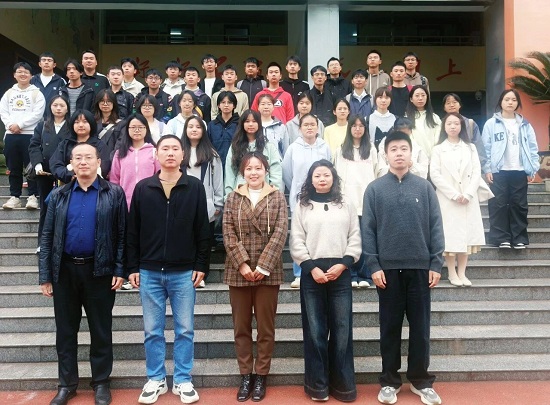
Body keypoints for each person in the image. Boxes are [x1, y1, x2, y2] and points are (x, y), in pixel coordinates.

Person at [39, 142, 126, 405]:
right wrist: (45, 275)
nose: (83, 162)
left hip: (100, 272)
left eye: (89, 157)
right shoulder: (58, 195)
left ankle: (101, 383)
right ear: (71, 164)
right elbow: (47, 235)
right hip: (64, 272)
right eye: (78, 158)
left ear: (99, 162)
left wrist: (119, 269)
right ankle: (67, 385)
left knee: (101, 330)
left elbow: (122, 234)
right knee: (65, 332)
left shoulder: (114, 193)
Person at [127, 135, 211, 405]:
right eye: (165, 148)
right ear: (156, 154)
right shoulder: (143, 188)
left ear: (183, 155)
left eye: (176, 148)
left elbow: (203, 229)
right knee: (153, 330)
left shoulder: (194, 187)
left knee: (184, 329)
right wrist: (132, 267)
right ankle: (156, 379)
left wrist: (201, 265)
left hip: (184, 272)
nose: (171, 153)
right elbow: (132, 231)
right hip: (149, 271)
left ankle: (183, 379)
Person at [362, 131, 444, 405]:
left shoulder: (424, 187)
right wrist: (373, 264)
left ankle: (421, 381)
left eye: (403, 149)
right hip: (387, 271)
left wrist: (436, 262)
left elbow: (436, 226)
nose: (399, 153)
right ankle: (389, 381)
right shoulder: (374, 189)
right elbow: (368, 230)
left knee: (420, 329)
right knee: (390, 328)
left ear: (411, 154)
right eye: (393, 149)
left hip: (420, 269)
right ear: (386, 155)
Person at [290, 159, 361, 402]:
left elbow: (355, 237)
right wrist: (310, 268)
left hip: (340, 272)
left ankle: (343, 386)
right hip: (312, 273)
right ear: (311, 180)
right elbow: (296, 240)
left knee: (342, 331)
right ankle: (317, 386)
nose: (322, 179)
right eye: (317, 175)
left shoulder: (346, 204)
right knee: (315, 331)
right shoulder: (303, 205)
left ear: (333, 178)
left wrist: (344, 263)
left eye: (326, 175)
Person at [223, 151, 288, 402]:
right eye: (249, 168)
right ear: (242, 172)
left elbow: (280, 232)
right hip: (238, 271)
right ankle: (245, 375)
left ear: (266, 171)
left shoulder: (277, 196)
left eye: (258, 168)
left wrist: (263, 266)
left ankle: (261, 375)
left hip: (267, 273)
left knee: (265, 328)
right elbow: (228, 232)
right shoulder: (233, 197)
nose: (253, 172)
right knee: (241, 328)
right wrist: (242, 263)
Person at [430, 112, 486, 287]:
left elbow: (477, 172)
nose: (453, 126)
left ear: (461, 126)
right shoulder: (438, 149)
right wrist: (454, 194)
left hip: (468, 198)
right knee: (450, 236)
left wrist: (468, 193)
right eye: (449, 124)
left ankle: (462, 272)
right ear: (444, 127)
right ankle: (452, 272)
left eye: (456, 123)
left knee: (466, 237)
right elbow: (435, 175)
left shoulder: (470, 148)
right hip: (448, 199)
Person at [482, 88, 540, 249]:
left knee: (519, 205)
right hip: (498, 171)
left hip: (519, 170)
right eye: (507, 99)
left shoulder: (525, 124)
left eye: (514, 100)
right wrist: (487, 169)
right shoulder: (491, 124)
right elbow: (485, 148)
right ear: (501, 102)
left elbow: (533, 148)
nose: (510, 102)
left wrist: (532, 169)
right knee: (498, 204)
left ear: (517, 103)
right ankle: (501, 238)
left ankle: (519, 238)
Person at [333, 114, 383, 288]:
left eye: (361, 126)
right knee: (350, 239)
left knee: (366, 239)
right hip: (347, 202)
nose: (357, 129)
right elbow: (336, 177)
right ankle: (352, 274)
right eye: (354, 126)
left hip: (366, 202)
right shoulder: (341, 150)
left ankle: (365, 275)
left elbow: (378, 173)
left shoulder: (371, 149)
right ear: (349, 128)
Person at [283, 114, 331, 289]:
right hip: (300, 198)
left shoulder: (324, 147)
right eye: (306, 125)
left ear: (318, 127)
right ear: (300, 129)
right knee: (299, 235)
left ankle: (320, 268)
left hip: (322, 197)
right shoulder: (293, 148)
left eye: (313, 124)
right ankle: (299, 273)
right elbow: (287, 173)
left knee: (319, 233)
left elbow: (330, 170)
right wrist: (298, 188)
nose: (309, 127)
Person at [182, 115, 224, 286]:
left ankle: (201, 275)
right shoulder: (179, 151)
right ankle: (186, 273)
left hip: (206, 204)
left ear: (203, 130)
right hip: (183, 203)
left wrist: (218, 203)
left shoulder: (211, 154)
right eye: (190, 126)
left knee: (204, 240)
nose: (194, 129)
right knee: (186, 239)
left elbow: (218, 180)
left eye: (198, 127)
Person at [29, 95, 71, 252]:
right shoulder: (42, 125)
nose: (58, 108)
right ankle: (43, 243)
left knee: (65, 208)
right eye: (55, 105)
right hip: (44, 173)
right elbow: (34, 146)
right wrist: (37, 164)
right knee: (45, 208)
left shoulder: (72, 125)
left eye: (62, 105)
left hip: (65, 173)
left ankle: (63, 243)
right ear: (50, 107)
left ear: (67, 108)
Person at [1, 62, 45, 210]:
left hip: (30, 135)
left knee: (31, 166)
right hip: (11, 135)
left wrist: (20, 125)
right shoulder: (9, 93)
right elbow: (3, 112)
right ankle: (15, 197)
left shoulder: (37, 93)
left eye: (26, 72)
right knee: (13, 167)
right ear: (14, 75)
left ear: (31, 76)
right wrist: (10, 125)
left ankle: (33, 196)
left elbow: (38, 114)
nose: (23, 74)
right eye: (20, 71)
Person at [224, 110, 283, 196]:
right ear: (242, 124)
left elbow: (276, 171)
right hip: (240, 194)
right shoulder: (235, 146)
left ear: (259, 123)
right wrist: (229, 195)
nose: (251, 124)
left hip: (264, 194)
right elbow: (230, 172)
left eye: (254, 121)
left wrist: (272, 192)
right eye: (247, 121)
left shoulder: (269, 147)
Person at [110, 113, 160, 209]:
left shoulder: (154, 152)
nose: (137, 130)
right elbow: (114, 179)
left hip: (150, 201)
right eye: (133, 127)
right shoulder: (120, 153)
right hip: (125, 202)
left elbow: (159, 176)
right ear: (127, 129)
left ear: (146, 129)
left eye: (140, 127)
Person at [50, 109, 111, 185]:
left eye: (85, 122)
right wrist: (70, 175)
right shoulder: (65, 144)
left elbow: (104, 166)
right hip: (68, 184)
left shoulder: (100, 145)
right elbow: (55, 164)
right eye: (77, 122)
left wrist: (84, 176)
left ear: (91, 124)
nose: (81, 125)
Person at [442, 93, 487, 169]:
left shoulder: (470, 123)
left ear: (460, 105)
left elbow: (478, 146)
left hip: (468, 165)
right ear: (444, 107)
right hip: (447, 165)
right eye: (448, 103)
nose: (451, 105)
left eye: (454, 102)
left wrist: (481, 167)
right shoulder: (439, 124)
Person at [405, 85, 441, 159]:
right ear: (411, 99)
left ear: (427, 97)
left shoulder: (435, 117)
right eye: (417, 95)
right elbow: (408, 139)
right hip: (415, 158)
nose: (420, 98)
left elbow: (439, 136)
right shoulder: (406, 118)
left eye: (423, 95)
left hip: (434, 157)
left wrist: (434, 153)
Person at [207, 90, 239, 171]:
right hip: (215, 165)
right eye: (223, 102)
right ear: (218, 105)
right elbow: (207, 146)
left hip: (235, 165)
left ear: (234, 105)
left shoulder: (240, 124)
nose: (226, 105)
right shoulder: (212, 125)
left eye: (229, 102)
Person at [92, 89, 124, 155]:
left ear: (114, 103)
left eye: (108, 101)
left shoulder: (121, 124)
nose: (105, 104)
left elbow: (120, 144)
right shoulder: (92, 121)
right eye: (102, 101)